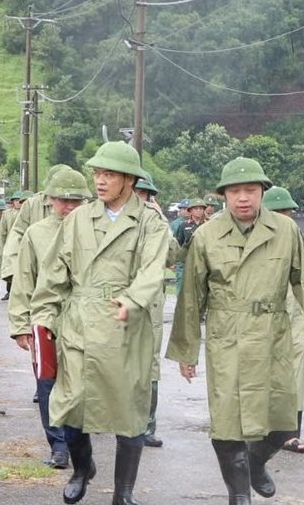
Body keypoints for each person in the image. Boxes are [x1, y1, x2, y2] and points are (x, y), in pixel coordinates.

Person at [168, 158, 304, 505]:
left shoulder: (285, 231)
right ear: (224, 195)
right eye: (235, 191)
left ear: (262, 193)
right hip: (226, 335)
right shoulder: (207, 235)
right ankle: (239, 495)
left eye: (250, 191)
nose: (243, 198)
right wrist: (186, 351)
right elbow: (191, 298)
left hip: (273, 333)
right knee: (228, 422)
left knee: (283, 421)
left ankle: (256, 461)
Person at [32, 141, 171, 505]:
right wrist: (43, 319)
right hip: (79, 325)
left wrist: (132, 299)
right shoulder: (79, 218)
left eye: (108, 174)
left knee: (129, 415)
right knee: (71, 407)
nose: (100, 181)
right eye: (97, 173)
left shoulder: (150, 222)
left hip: (127, 329)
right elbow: (53, 274)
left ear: (128, 179)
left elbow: (153, 270)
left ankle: (123, 493)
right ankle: (82, 469)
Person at [9, 168, 92, 470]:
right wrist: (20, 325)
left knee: (80, 384)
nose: (69, 207)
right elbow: (24, 281)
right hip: (46, 319)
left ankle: (76, 441)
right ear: (50, 201)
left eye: (76, 201)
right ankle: (57, 444)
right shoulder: (36, 233)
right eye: (62, 200)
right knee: (47, 382)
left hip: (84, 320)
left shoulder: (96, 232)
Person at [264, 186, 304, 455]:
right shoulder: (256, 240)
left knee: (294, 375)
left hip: (294, 315)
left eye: (288, 212)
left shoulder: (300, 239)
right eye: (279, 213)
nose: (285, 217)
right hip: (262, 316)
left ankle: (291, 434)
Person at [133, 174, 173, 449]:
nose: (140, 199)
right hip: (116, 301)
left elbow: (172, 255)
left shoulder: (157, 223)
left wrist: (163, 222)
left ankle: (147, 426)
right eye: (135, 193)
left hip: (150, 303)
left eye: (144, 195)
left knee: (150, 366)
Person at [169, 198, 209, 295]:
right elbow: (178, 243)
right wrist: (174, 261)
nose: (198, 211)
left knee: (200, 288)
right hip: (185, 260)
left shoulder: (208, 225)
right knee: (181, 285)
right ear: (190, 210)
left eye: (201, 208)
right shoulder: (183, 225)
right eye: (196, 208)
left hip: (202, 260)